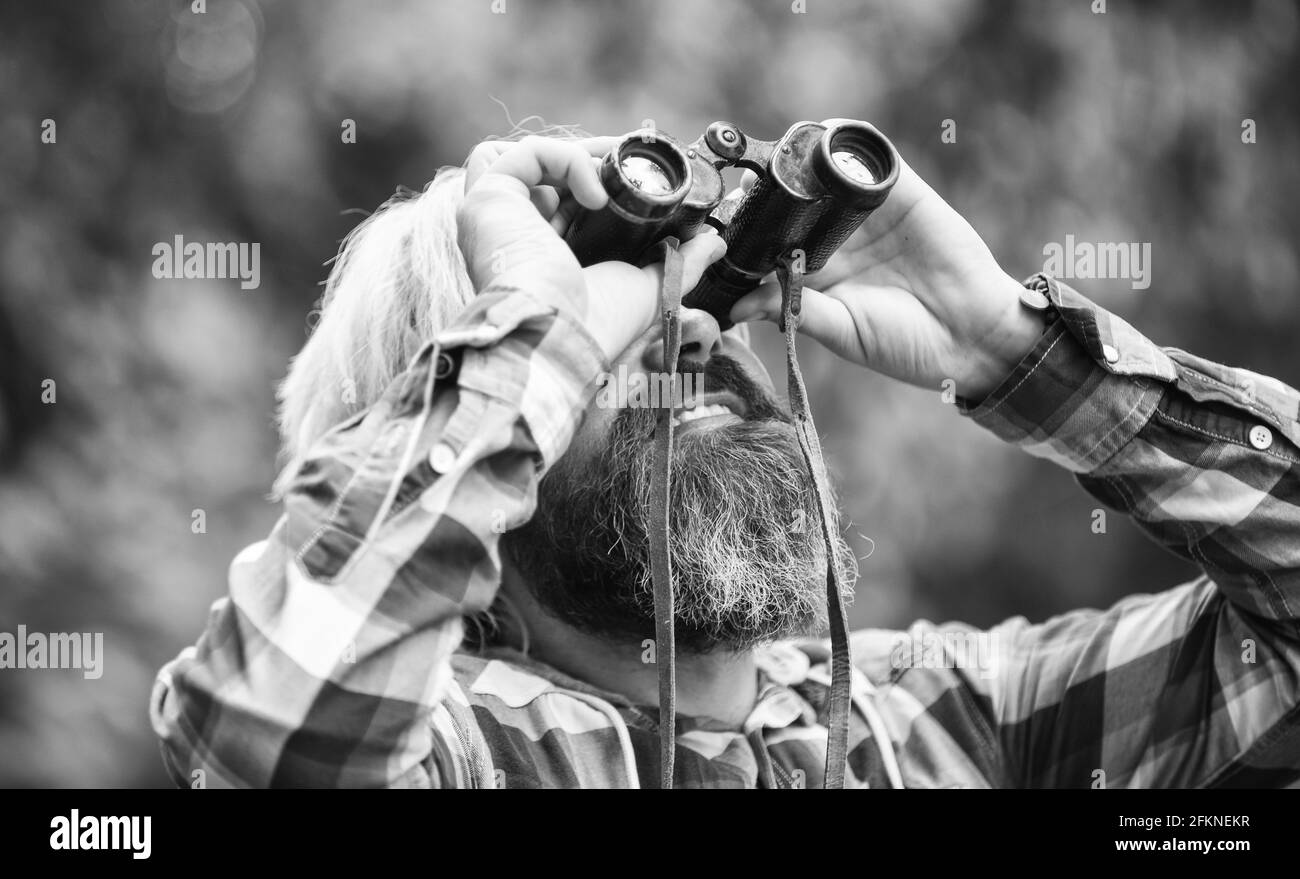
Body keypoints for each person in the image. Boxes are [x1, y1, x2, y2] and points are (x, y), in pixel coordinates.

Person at [150, 132, 1300, 788]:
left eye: (696, 299)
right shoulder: (458, 755)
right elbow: (274, 732)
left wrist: (1009, 347)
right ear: (480, 447)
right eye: (604, 324)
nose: (681, 342)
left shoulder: (941, 726)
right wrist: (530, 330)